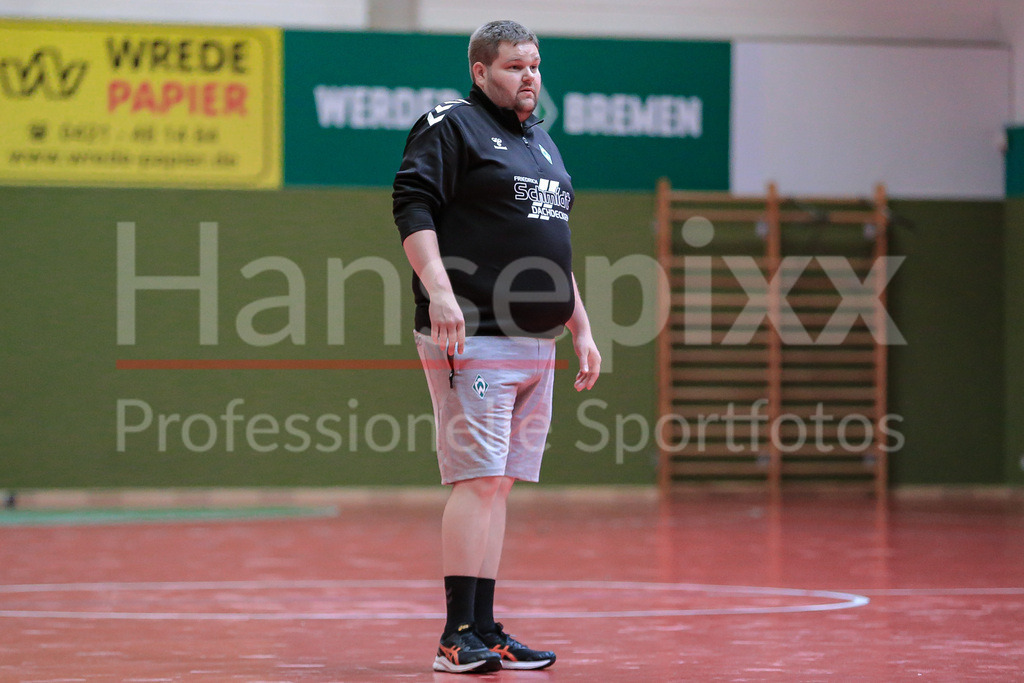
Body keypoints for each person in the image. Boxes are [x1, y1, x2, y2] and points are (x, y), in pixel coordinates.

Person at [393, 19, 601, 675]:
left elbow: (549, 244)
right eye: (514, 66)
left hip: (536, 340)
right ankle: (456, 635)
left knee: (500, 484)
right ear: (480, 72)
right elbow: (412, 205)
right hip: (473, 329)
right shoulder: (449, 125)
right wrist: (440, 289)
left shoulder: (541, 144)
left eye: (535, 65)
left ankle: (485, 627)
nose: (529, 77)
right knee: (477, 478)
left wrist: (580, 324)